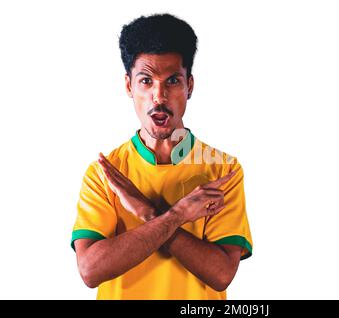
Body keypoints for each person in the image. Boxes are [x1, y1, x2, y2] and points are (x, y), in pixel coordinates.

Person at [70, 13, 253, 300]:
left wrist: (146, 212)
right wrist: (178, 215)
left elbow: (220, 274)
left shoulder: (223, 170)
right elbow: (91, 270)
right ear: (129, 86)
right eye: (146, 81)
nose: (159, 96)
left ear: (189, 86)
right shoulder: (106, 173)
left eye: (172, 81)